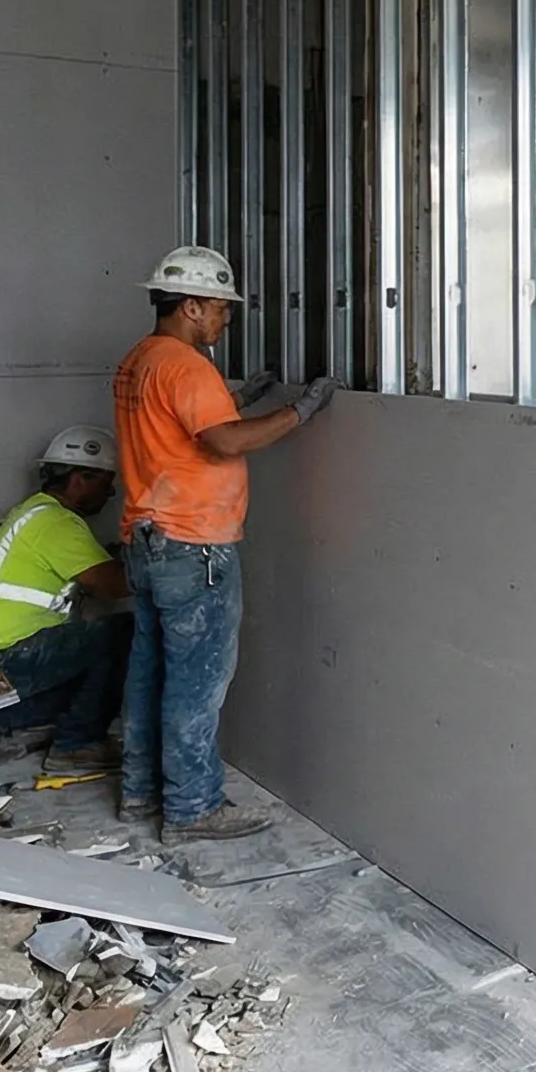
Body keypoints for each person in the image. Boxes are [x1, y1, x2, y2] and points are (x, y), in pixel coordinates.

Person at [112, 244, 336, 843]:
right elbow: (224, 443)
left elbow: (177, 426)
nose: (226, 318)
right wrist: (299, 412)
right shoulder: (186, 366)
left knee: (149, 671)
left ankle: (139, 791)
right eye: (220, 307)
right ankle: (192, 809)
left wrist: (240, 399)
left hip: (147, 540)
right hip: (194, 545)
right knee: (197, 678)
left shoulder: (141, 359)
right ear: (190, 306)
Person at [0, 426, 133, 772]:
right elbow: (114, 586)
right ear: (80, 479)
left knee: (90, 668)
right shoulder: (56, 524)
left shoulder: (34, 514)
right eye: (106, 483)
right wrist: (159, 558)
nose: (111, 493)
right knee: (124, 633)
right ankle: (77, 745)